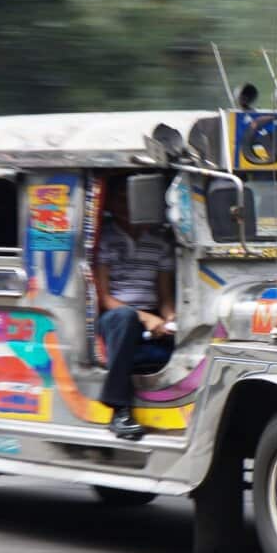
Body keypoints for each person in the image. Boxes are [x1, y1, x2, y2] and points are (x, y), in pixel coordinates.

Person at [95, 179, 175, 440]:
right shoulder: (105, 239)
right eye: (120, 198)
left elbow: (165, 297)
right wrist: (146, 318)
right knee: (125, 317)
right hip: (115, 317)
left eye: (130, 198)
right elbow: (105, 298)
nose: (125, 204)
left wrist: (169, 318)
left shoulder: (160, 241)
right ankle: (119, 409)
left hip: (150, 316)